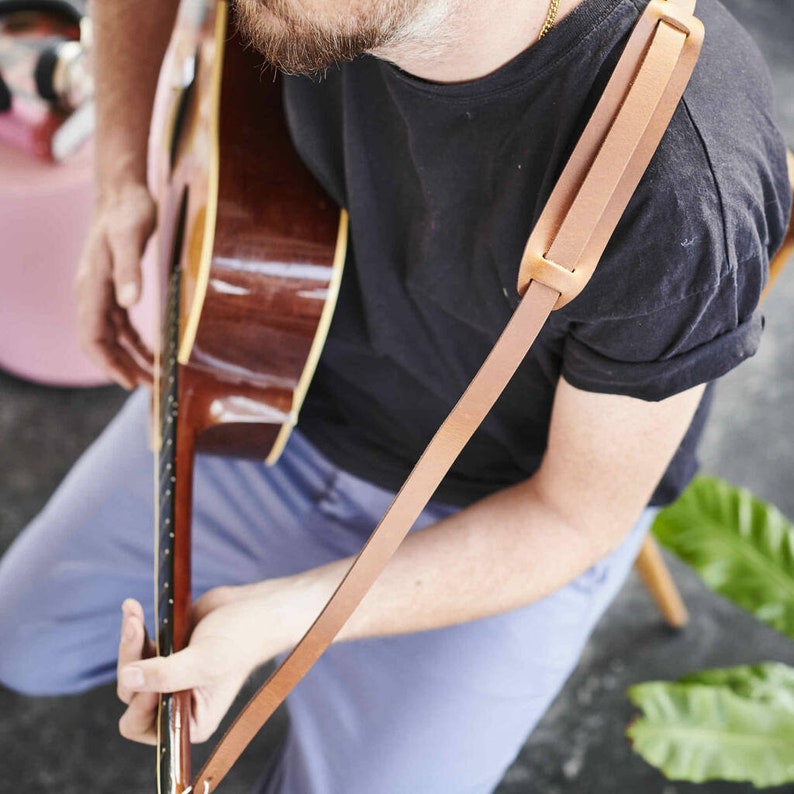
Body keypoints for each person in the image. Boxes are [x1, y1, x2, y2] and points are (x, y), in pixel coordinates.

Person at [0, 0, 790, 791]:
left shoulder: (683, 179)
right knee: (23, 644)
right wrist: (122, 182)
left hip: (494, 518)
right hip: (269, 385)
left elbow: (573, 515)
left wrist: (280, 618)